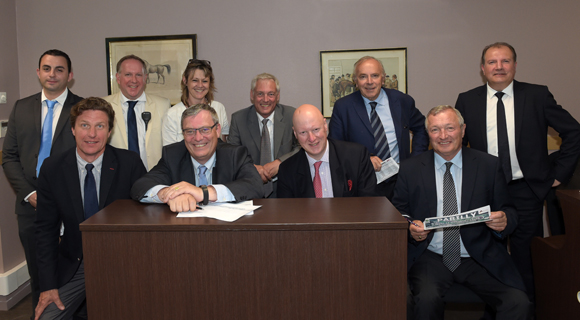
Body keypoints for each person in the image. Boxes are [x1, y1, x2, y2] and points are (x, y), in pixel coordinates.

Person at [455, 42, 580, 300]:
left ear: (514, 65)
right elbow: (458, 147)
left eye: (505, 61)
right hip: (485, 192)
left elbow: (574, 131)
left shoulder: (536, 95)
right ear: (482, 68)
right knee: (489, 255)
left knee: (526, 259)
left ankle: (527, 311)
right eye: (492, 62)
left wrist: (559, 174)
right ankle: (497, 311)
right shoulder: (467, 100)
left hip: (527, 190)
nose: (498, 67)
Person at [393, 105, 531, 320]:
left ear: (463, 129)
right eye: (435, 130)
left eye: (450, 128)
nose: (443, 136)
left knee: (518, 302)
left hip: (478, 254)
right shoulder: (411, 168)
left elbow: (509, 211)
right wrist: (410, 227)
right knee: (425, 301)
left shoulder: (488, 165)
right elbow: (399, 212)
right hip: (431, 255)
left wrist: (503, 221)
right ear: (428, 133)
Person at [34, 97, 146, 320]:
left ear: (110, 131)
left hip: (123, 261)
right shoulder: (53, 168)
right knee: (46, 318)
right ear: (73, 129)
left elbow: (146, 217)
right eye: (85, 125)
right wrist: (48, 286)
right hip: (77, 263)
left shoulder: (129, 163)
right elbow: (45, 231)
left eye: (100, 126)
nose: (92, 134)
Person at [2, 49, 83, 317]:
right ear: (38, 72)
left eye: (59, 69)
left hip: (71, 205)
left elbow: (88, 155)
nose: (52, 74)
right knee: (39, 275)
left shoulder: (83, 109)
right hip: (30, 207)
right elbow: (9, 156)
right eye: (47, 68)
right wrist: (29, 194)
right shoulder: (21, 107)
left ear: (69, 76)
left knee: (74, 271)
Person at [329, 56, 428, 199]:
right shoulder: (343, 107)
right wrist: (364, 158)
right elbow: (335, 146)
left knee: (403, 220)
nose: (369, 82)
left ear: (383, 79)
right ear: (355, 81)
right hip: (363, 185)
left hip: (401, 182)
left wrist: (415, 160)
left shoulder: (402, 101)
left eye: (375, 76)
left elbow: (422, 128)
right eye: (363, 76)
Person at [131, 104, 264, 210]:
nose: (198, 138)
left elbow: (255, 186)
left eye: (205, 129)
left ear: (217, 130)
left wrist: (203, 193)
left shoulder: (235, 154)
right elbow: (140, 185)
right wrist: (170, 194)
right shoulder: (173, 155)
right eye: (190, 131)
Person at [277, 104, 377, 198]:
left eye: (316, 129)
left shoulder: (356, 156)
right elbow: (289, 213)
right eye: (303, 132)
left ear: (325, 125)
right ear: (295, 134)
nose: (311, 138)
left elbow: (367, 204)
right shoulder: (287, 171)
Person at [228, 73, 300, 198]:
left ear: (277, 96)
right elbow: (231, 155)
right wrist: (252, 168)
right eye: (260, 94)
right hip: (250, 188)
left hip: (287, 187)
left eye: (271, 94)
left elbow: (302, 147)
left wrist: (280, 162)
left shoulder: (291, 115)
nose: (265, 99)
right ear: (252, 95)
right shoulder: (238, 119)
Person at [103, 54, 171, 170]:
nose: (133, 80)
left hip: (154, 177)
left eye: (138, 75)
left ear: (145, 78)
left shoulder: (163, 105)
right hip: (116, 178)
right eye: (128, 74)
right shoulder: (103, 106)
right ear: (118, 78)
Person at [162, 59, 229, 145]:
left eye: (204, 81)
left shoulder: (219, 108)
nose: (200, 85)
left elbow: (222, 145)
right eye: (195, 80)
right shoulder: (171, 115)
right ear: (185, 81)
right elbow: (170, 153)